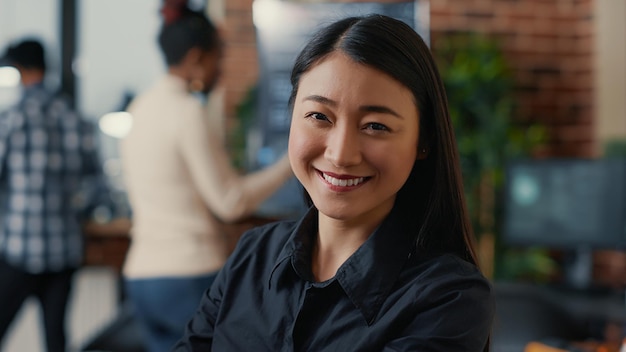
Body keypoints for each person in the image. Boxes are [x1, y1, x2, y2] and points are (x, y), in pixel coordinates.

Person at [173, 14, 495, 352]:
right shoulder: (252, 256)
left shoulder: (449, 298)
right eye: (319, 117)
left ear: (423, 141)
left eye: (375, 126)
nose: (341, 154)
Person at [118, 1, 293, 352]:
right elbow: (229, 202)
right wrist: (291, 161)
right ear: (197, 57)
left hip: (141, 277)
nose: (221, 69)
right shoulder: (186, 112)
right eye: (219, 58)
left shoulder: (139, 109)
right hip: (187, 273)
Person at [0, 38, 112, 352]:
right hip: (64, 249)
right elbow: (98, 187)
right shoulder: (75, 118)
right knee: (56, 340)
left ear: (19, 70)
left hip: (19, 248)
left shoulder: (10, 119)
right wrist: (72, 209)